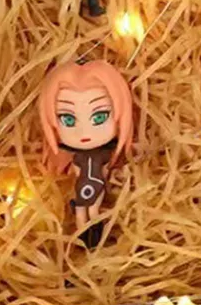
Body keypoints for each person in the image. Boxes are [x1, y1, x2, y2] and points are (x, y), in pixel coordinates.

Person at [38, 59, 134, 247]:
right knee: (82, 212)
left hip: (95, 186)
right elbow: (79, 170)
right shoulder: (79, 157)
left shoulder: (104, 155)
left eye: (99, 117)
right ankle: (85, 240)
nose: (83, 132)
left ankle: (95, 240)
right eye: (68, 119)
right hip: (84, 187)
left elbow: (106, 170)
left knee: (93, 211)